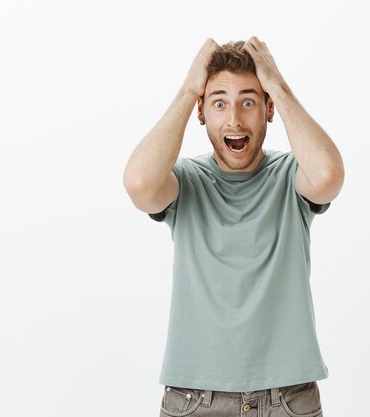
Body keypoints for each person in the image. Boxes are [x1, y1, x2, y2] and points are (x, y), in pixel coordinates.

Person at [123, 37, 344, 417]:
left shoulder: (291, 175)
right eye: (219, 103)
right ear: (201, 112)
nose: (235, 119)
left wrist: (277, 84)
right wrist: (190, 87)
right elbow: (140, 184)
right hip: (194, 399)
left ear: (268, 108)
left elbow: (327, 176)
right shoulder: (186, 180)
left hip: (287, 399)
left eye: (249, 101)